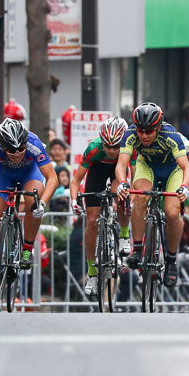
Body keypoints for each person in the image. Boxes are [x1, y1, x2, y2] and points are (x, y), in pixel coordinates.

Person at [0, 118, 59, 289]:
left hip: (29, 173)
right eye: (11, 150)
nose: (17, 154)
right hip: (2, 174)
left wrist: (43, 204)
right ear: (2, 147)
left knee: (34, 200)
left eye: (21, 149)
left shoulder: (33, 143)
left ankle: (27, 248)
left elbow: (52, 178)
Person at [116, 103, 189, 288]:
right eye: (140, 130)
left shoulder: (171, 136)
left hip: (172, 171)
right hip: (147, 166)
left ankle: (171, 261)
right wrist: (123, 183)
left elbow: (186, 168)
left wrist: (184, 187)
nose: (144, 135)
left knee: (172, 213)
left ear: (158, 127)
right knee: (140, 197)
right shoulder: (130, 134)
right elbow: (121, 164)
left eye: (149, 131)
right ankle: (138, 248)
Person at [69, 117, 131, 296]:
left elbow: (133, 176)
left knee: (120, 194)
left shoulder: (128, 148)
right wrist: (74, 200)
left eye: (115, 147)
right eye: (107, 146)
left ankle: (124, 236)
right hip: (96, 171)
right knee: (92, 220)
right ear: (101, 142)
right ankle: (92, 273)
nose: (111, 151)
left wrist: (131, 197)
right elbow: (76, 181)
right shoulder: (93, 148)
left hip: (118, 173)